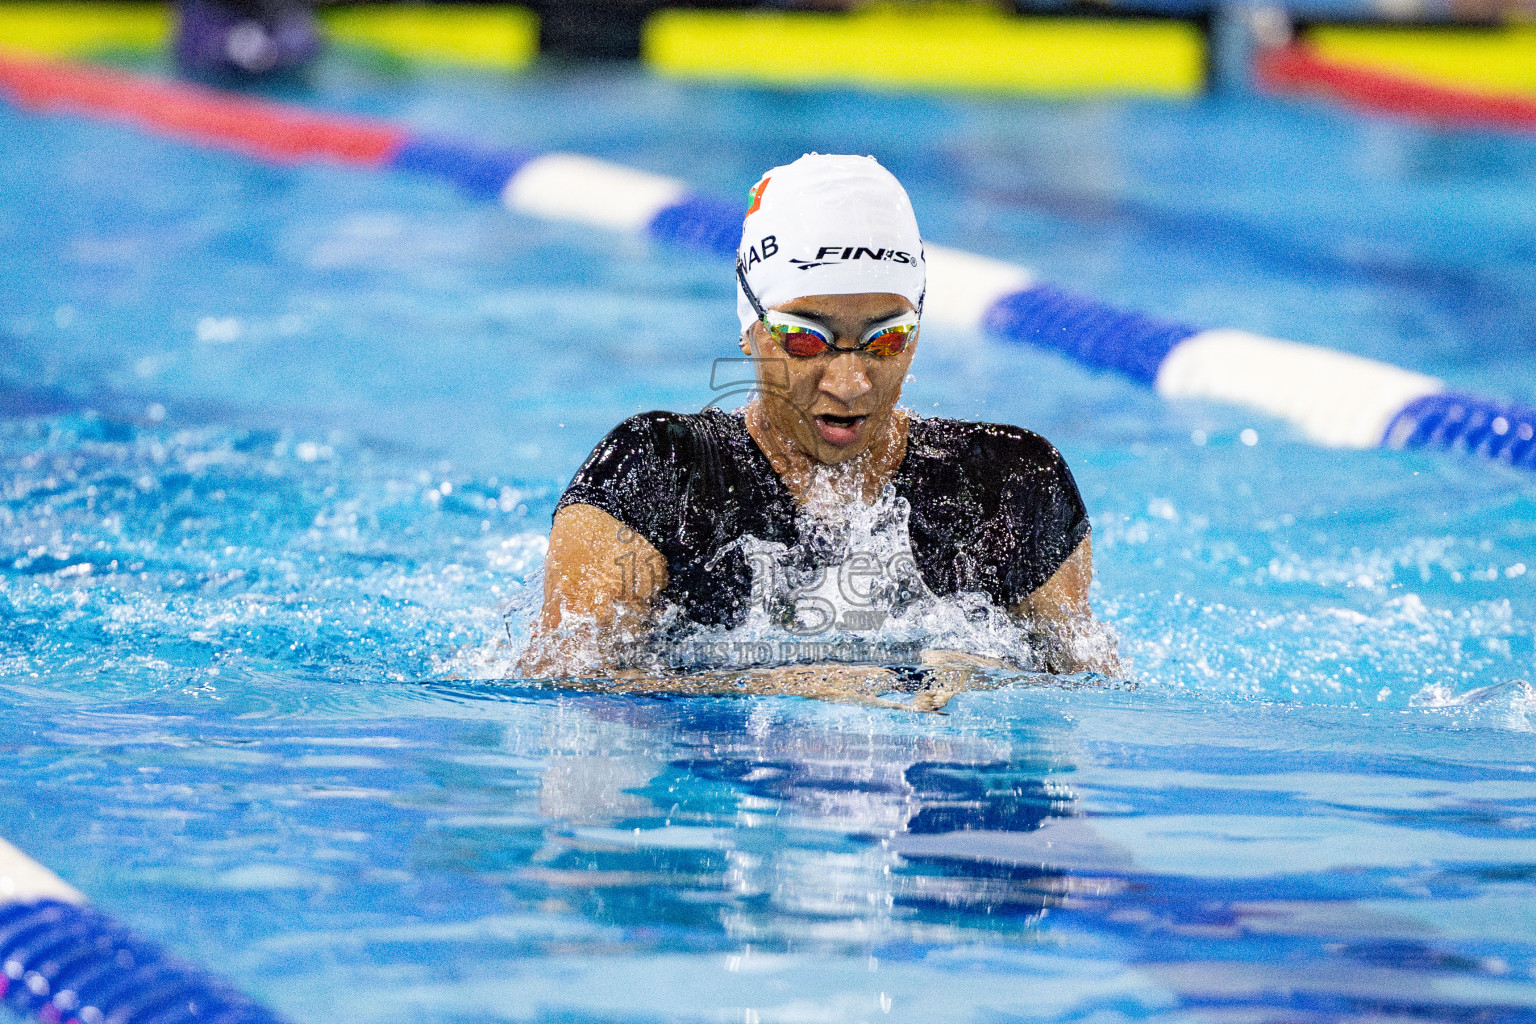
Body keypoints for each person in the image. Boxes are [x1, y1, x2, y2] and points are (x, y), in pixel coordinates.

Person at [518, 154, 1117, 697]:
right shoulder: (657, 474)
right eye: (807, 340)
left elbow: (1094, 690)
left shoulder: (1009, 484)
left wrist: (990, 681)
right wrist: (778, 686)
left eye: (886, 339)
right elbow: (561, 683)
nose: (850, 382)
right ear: (751, 330)